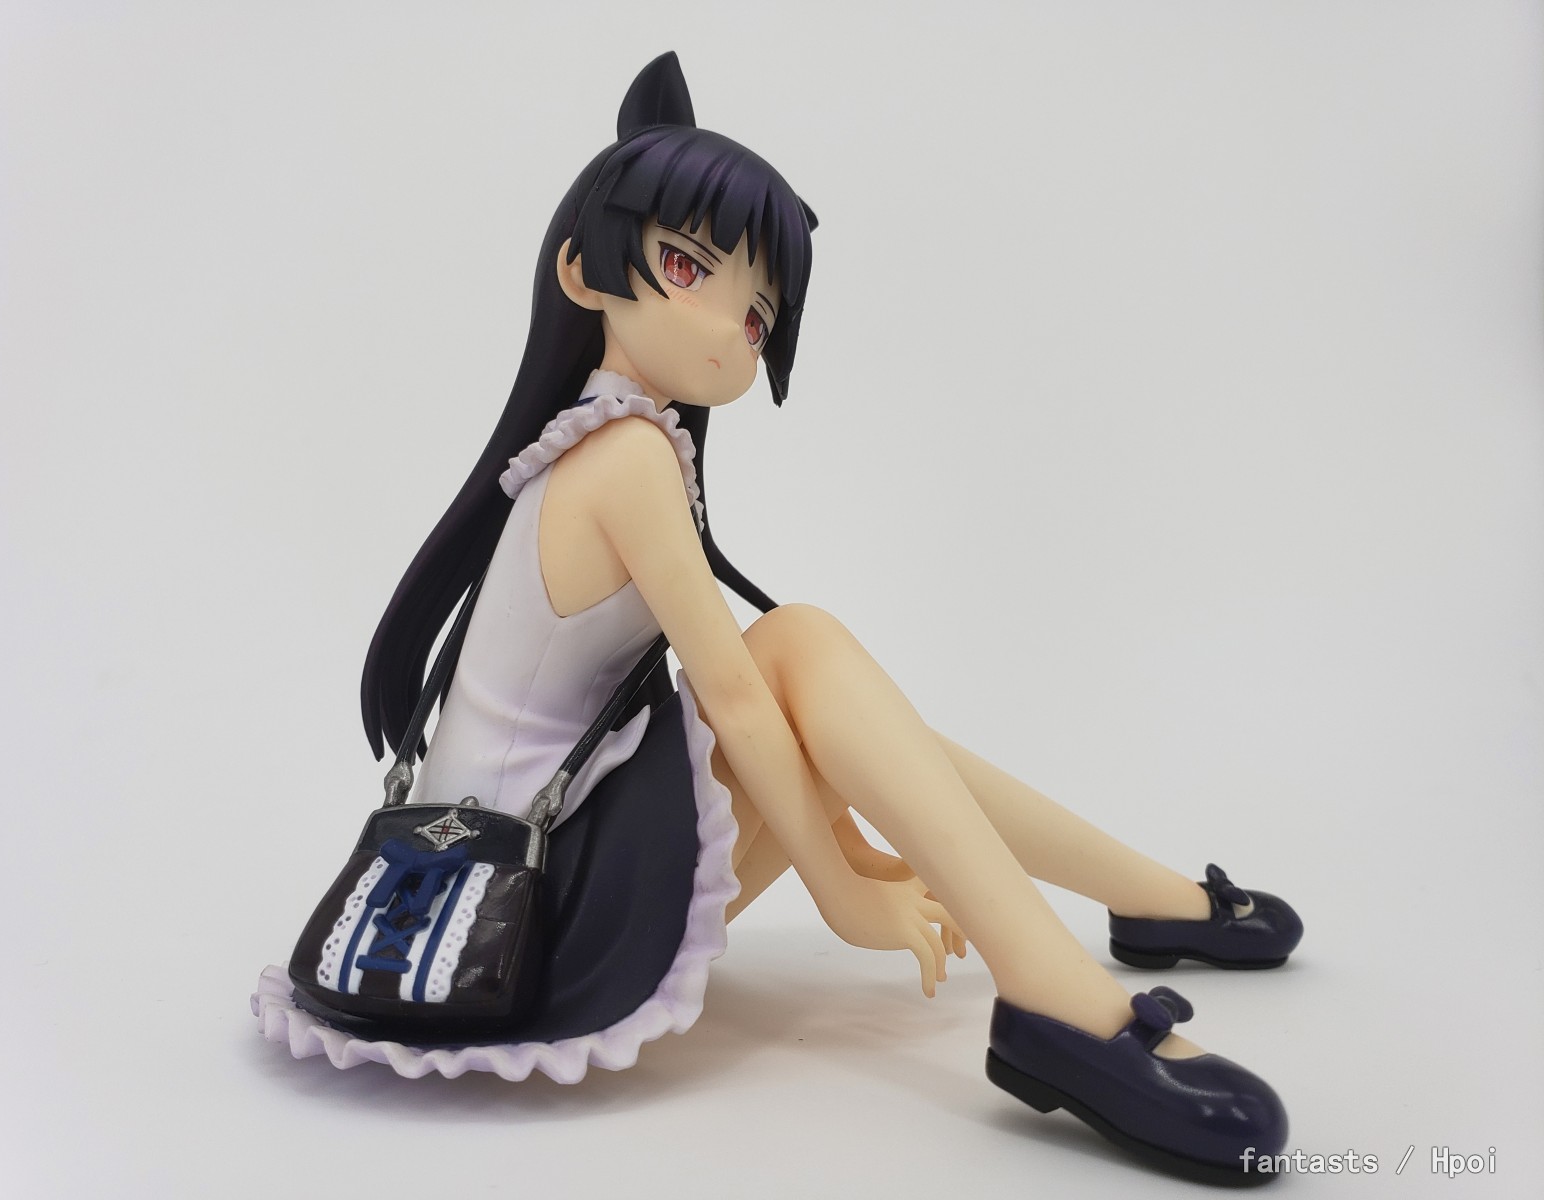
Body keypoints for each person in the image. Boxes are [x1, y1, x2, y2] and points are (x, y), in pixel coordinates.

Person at [256, 52, 1302, 1186]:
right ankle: (1066, 1002)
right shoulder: (621, 457)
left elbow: (750, 713)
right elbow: (739, 703)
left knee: (830, 689)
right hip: (518, 919)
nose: (727, 325)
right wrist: (843, 890)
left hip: (557, 861)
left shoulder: (606, 443)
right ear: (581, 270)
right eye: (684, 267)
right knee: (799, 651)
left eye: (756, 312)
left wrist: (851, 835)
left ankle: (1152, 908)